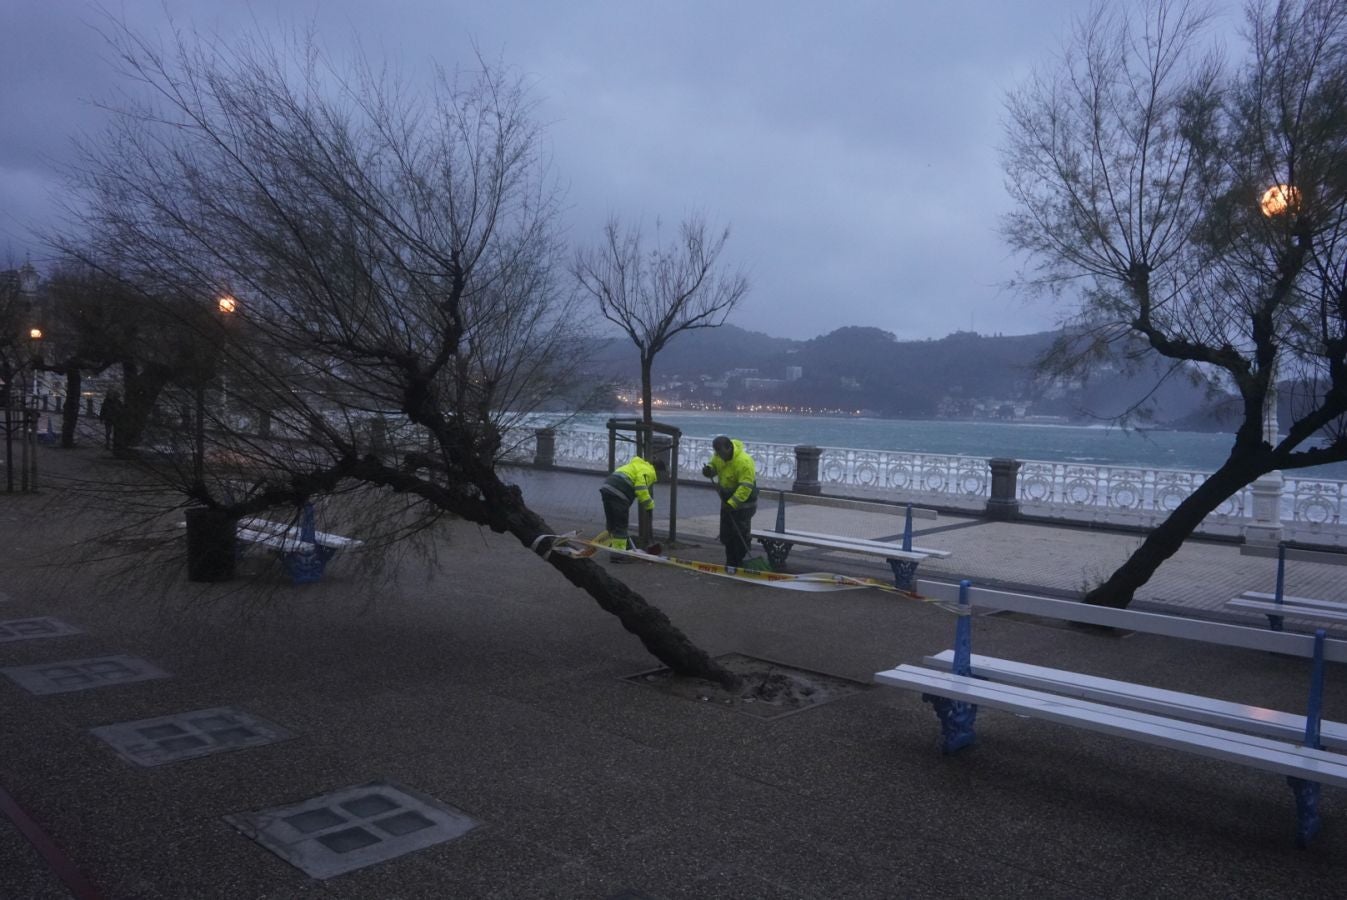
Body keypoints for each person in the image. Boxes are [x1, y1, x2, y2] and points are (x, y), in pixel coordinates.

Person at [702, 435, 759, 567]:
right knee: (727, 534)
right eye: (717, 452)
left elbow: (746, 487)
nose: (719, 456)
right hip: (727, 501)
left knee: (739, 534)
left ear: (729, 447)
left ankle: (740, 561)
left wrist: (732, 503)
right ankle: (730, 562)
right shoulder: (718, 455)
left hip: (744, 504)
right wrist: (709, 470)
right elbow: (714, 466)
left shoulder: (744, 461)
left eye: (721, 452)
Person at [598, 455, 664, 560]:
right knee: (621, 525)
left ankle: (615, 546)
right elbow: (640, 487)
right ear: (658, 470)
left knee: (612, 523)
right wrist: (649, 504)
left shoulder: (636, 464)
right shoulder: (649, 471)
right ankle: (618, 555)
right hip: (620, 492)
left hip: (607, 487)